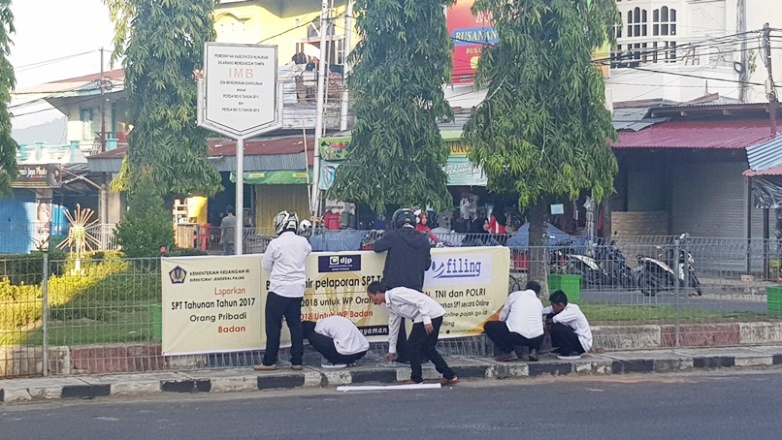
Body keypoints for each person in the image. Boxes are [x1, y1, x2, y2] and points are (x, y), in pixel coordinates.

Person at [367, 281, 458, 385]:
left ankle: (416, 378)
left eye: (371, 297)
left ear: (377, 293)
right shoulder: (391, 306)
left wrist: (426, 320)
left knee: (412, 346)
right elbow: (394, 327)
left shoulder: (396, 294)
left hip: (429, 316)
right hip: (429, 316)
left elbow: (420, 300)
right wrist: (391, 350)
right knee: (428, 348)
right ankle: (450, 376)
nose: (372, 301)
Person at [372, 208, 432, 363]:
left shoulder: (393, 235)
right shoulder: (423, 239)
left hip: (394, 284)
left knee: (397, 321)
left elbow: (376, 247)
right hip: (415, 284)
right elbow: (427, 265)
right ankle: (423, 354)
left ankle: (403, 354)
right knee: (419, 320)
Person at [255, 211, 312, 371]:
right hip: (297, 291)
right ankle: (297, 361)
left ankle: (269, 361)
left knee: (273, 326)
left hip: (279, 290)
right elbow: (308, 251)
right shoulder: (303, 242)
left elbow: (265, 265)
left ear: (281, 224)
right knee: (295, 325)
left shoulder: (275, 243)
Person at [484, 280, 544, 362]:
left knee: (489, 326)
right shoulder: (539, 302)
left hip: (515, 336)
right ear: (538, 293)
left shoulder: (515, 295)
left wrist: (503, 323)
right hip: (535, 339)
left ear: (525, 288)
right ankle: (534, 351)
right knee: (540, 330)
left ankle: (509, 352)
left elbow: (503, 315)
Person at [543, 290, 593, 360]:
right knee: (552, 317)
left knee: (557, 327)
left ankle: (570, 351)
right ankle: (563, 348)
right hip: (575, 337)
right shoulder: (563, 308)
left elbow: (554, 320)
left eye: (553, 306)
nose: (552, 308)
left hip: (582, 344)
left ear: (560, 305)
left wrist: (543, 322)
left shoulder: (572, 310)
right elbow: (549, 310)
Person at [302, 316, 369, 368]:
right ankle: (349, 360)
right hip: (362, 351)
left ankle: (335, 361)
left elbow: (325, 347)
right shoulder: (328, 320)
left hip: (345, 354)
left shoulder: (318, 329)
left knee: (313, 337)